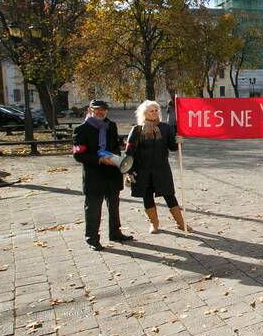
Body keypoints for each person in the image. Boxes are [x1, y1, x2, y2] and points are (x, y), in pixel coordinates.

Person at [72, 100, 131, 250]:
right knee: (93, 209)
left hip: (112, 173)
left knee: (114, 205)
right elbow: (79, 155)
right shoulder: (81, 129)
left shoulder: (111, 126)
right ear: (90, 109)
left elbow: (115, 147)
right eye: (97, 109)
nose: (101, 112)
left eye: (104, 110)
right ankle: (92, 238)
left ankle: (115, 232)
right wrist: (98, 159)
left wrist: (118, 160)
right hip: (94, 175)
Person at [126, 100, 190, 233]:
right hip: (142, 170)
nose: (154, 113)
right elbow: (129, 152)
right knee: (147, 195)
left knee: (169, 195)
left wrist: (178, 141)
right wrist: (129, 171)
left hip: (161, 169)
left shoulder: (165, 128)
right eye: (151, 110)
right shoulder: (136, 130)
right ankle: (154, 224)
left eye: (156, 110)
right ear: (144, 113)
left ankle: (181, 223)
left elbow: (172, 147)